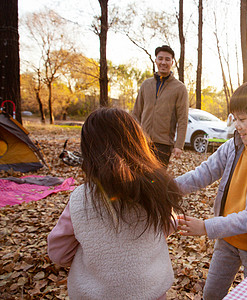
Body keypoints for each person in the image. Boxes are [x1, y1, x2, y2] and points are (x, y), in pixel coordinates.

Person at [47, 108, 183, 300]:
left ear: (90, 152)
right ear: (139, 144)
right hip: (151, 292)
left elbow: (58, 253)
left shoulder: (80, 198)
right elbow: (169, 225)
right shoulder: (157, 189)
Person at [176, 80, 247, 299]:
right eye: (234, 118)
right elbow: (203, 173)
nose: (236, 125)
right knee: (211, 294)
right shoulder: (233, 146)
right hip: (227, 238)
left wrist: (205, 227)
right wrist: (167, 188)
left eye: (242, 119)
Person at [132, 45, 189, 167]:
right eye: (160, 58)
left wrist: (179, 145)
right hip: (143, 142)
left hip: (163, 144)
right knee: (139, 177)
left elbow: (182, 119)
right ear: (156, 61)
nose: (164, 62)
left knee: (156, 180)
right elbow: (136, 113)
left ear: (172, 62)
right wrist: (135, 136)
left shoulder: (179, 88)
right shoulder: (146, 85)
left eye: (167, 59)